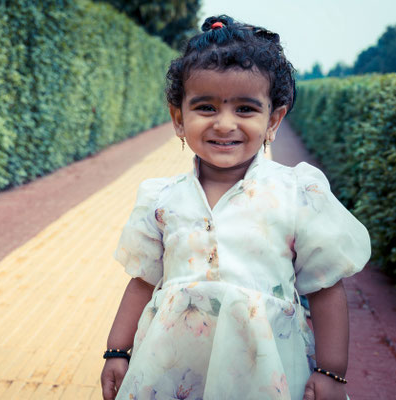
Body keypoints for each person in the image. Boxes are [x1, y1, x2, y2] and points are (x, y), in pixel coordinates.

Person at [100, 15, 371, 400]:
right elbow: (142, 281)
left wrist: (331, 372)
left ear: (273, 120)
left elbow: (325, 287)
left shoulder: (297, 194)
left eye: (245, 109)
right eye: (205, 107)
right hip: (170, 369)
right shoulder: (161, 199)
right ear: (179, 118)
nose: (225, 124)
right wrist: (117, 351)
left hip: (264, 372)